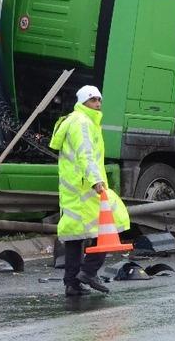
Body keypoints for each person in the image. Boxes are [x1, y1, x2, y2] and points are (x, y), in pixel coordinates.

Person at [49, 85, 113, 296]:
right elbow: (85, 154)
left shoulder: (76, 120)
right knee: (107, 227)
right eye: (93, 100)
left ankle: (72, 283)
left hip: (73, 188)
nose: (98, 104)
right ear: (83, 102)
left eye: (99, 100)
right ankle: (89, 271)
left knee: (74, 236)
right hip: (86, 188)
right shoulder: (83, 122)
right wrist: (96, 180)